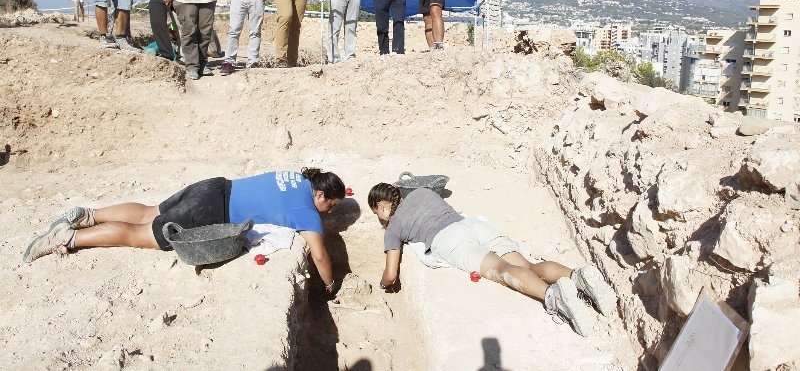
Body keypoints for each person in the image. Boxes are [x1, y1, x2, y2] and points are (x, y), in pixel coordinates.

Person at [23, 168, 345, 295]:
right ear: (321, 196)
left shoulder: (296, 177)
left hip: (213, 187)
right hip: (210, 211)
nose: (329, 213)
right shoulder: (309, 211)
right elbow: (318, 253)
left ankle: (88, 214)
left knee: (151, 211)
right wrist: (330, 285)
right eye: (331, 206)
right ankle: (68, 237)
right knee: (142, 235)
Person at [367, 183, 618, 337]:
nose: (380, 218)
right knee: (528, 264)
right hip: (471, 224)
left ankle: (554, 296)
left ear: (381, 205)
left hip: (449, 239)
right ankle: (576, 276)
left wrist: (381, 285)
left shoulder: (392, 228)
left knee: (502, 269)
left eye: (377, 212)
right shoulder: (422, 192)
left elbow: (390, 276)